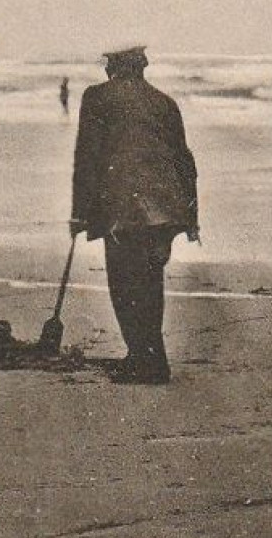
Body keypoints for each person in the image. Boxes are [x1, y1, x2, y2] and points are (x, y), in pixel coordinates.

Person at [70, 46, 199, 385]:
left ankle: (142, 358)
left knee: (124, 283)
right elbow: (185, 160)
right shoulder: (164, 102)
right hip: (166, 207)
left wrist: (79, 213)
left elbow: (88, 155)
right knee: (150, 281)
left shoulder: (97, 97)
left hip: (123, 204)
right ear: (142, 66)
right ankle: (152, 358)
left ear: (113, 67)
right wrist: (190, 216)